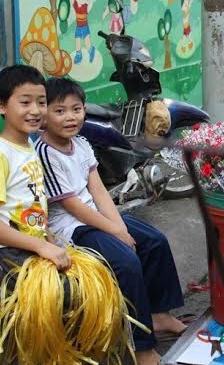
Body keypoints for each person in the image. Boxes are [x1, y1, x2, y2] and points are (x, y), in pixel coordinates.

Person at [36, 78, 186, 365]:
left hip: (96, 217)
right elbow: (73, 207)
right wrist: (117, 233)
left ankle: (159, 316)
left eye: (76, 109)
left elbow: (99, 191)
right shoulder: (45, 153)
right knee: (126, 263)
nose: (70, 117)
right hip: (71, 228)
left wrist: (119, 226)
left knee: (154, 242)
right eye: (60, 111)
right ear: (44, 115)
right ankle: (142, 348)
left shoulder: (80, 144)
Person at [0, 64, 72, 298]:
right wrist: (40, 246)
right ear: (1, 106)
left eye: (41, 102)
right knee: (65, 294)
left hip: (25, 249)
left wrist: (49, 241)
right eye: (25, 103)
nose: (35, 110)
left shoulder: (29, 147)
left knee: (85, 280)